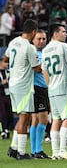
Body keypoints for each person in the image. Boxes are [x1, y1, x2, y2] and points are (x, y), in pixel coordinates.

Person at [5, 19, 40, 160]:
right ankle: (21, 152)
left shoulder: (13, 42)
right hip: (23, 85)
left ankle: (14, 148)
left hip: (13, 82)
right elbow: (36, 68)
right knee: (24, 117)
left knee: (22, 116)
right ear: (33, 32)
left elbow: (5, 58)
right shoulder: (29, 47)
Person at [41, 24, 67, 160]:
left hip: (52, 89)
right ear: (55, 34)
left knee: (56, 119)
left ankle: (55, 152)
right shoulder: (63, 47)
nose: (65, 34)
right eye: (63, 31)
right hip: (63, 87)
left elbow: (44, 71)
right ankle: (63, 150)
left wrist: (50, 85)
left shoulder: (45, 50)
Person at [30, 29, 50, 159]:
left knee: (36, 120)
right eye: (39, 39)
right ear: (33, 39)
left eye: (43, 39)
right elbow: (37, 69)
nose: (41, 41)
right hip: (37, 88)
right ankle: (38, 149)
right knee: (43, 119)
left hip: (43, 88)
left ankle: (35, 150)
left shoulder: (45, 52)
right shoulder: (33, 53)